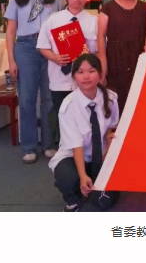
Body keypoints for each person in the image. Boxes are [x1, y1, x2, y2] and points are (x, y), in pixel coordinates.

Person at [5, 0, 65, 164]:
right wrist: (11, 60)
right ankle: (29, 146)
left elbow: (63, 25)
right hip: (26, 47)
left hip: (50, 47)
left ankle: (49, 144)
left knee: (49, 98)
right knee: (27, 99)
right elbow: (10, 31)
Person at [48, 54, 120, 212]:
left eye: (91, 71)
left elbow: (111, 127)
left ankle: (92, 185)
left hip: (101, 156)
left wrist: (108, 144)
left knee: (105, 202)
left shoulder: (111, 98)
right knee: (68, 178)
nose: (86, 76)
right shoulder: (68, 106)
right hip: (73, 157)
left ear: (100, 74)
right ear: (74, 77)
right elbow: (76, 145)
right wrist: (82, 176)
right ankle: (72, 200)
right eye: (80, 72)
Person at [37, 0, 98, 149]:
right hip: (60, 78)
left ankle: (85, 151)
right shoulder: (53, 20)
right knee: (61, 115)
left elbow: (99, 50)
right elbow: (42, 46)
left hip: (85, 80)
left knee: (85, 116)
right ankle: (64, 149)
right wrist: (55, 57)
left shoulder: (94, 21)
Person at [98, 0, 146, 114]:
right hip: (115, 59)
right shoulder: (108, 8)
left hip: (139, 58)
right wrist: (103, 65)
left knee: (139, 97)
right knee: (116, 100)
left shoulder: (145, 7)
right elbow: (101, 37)